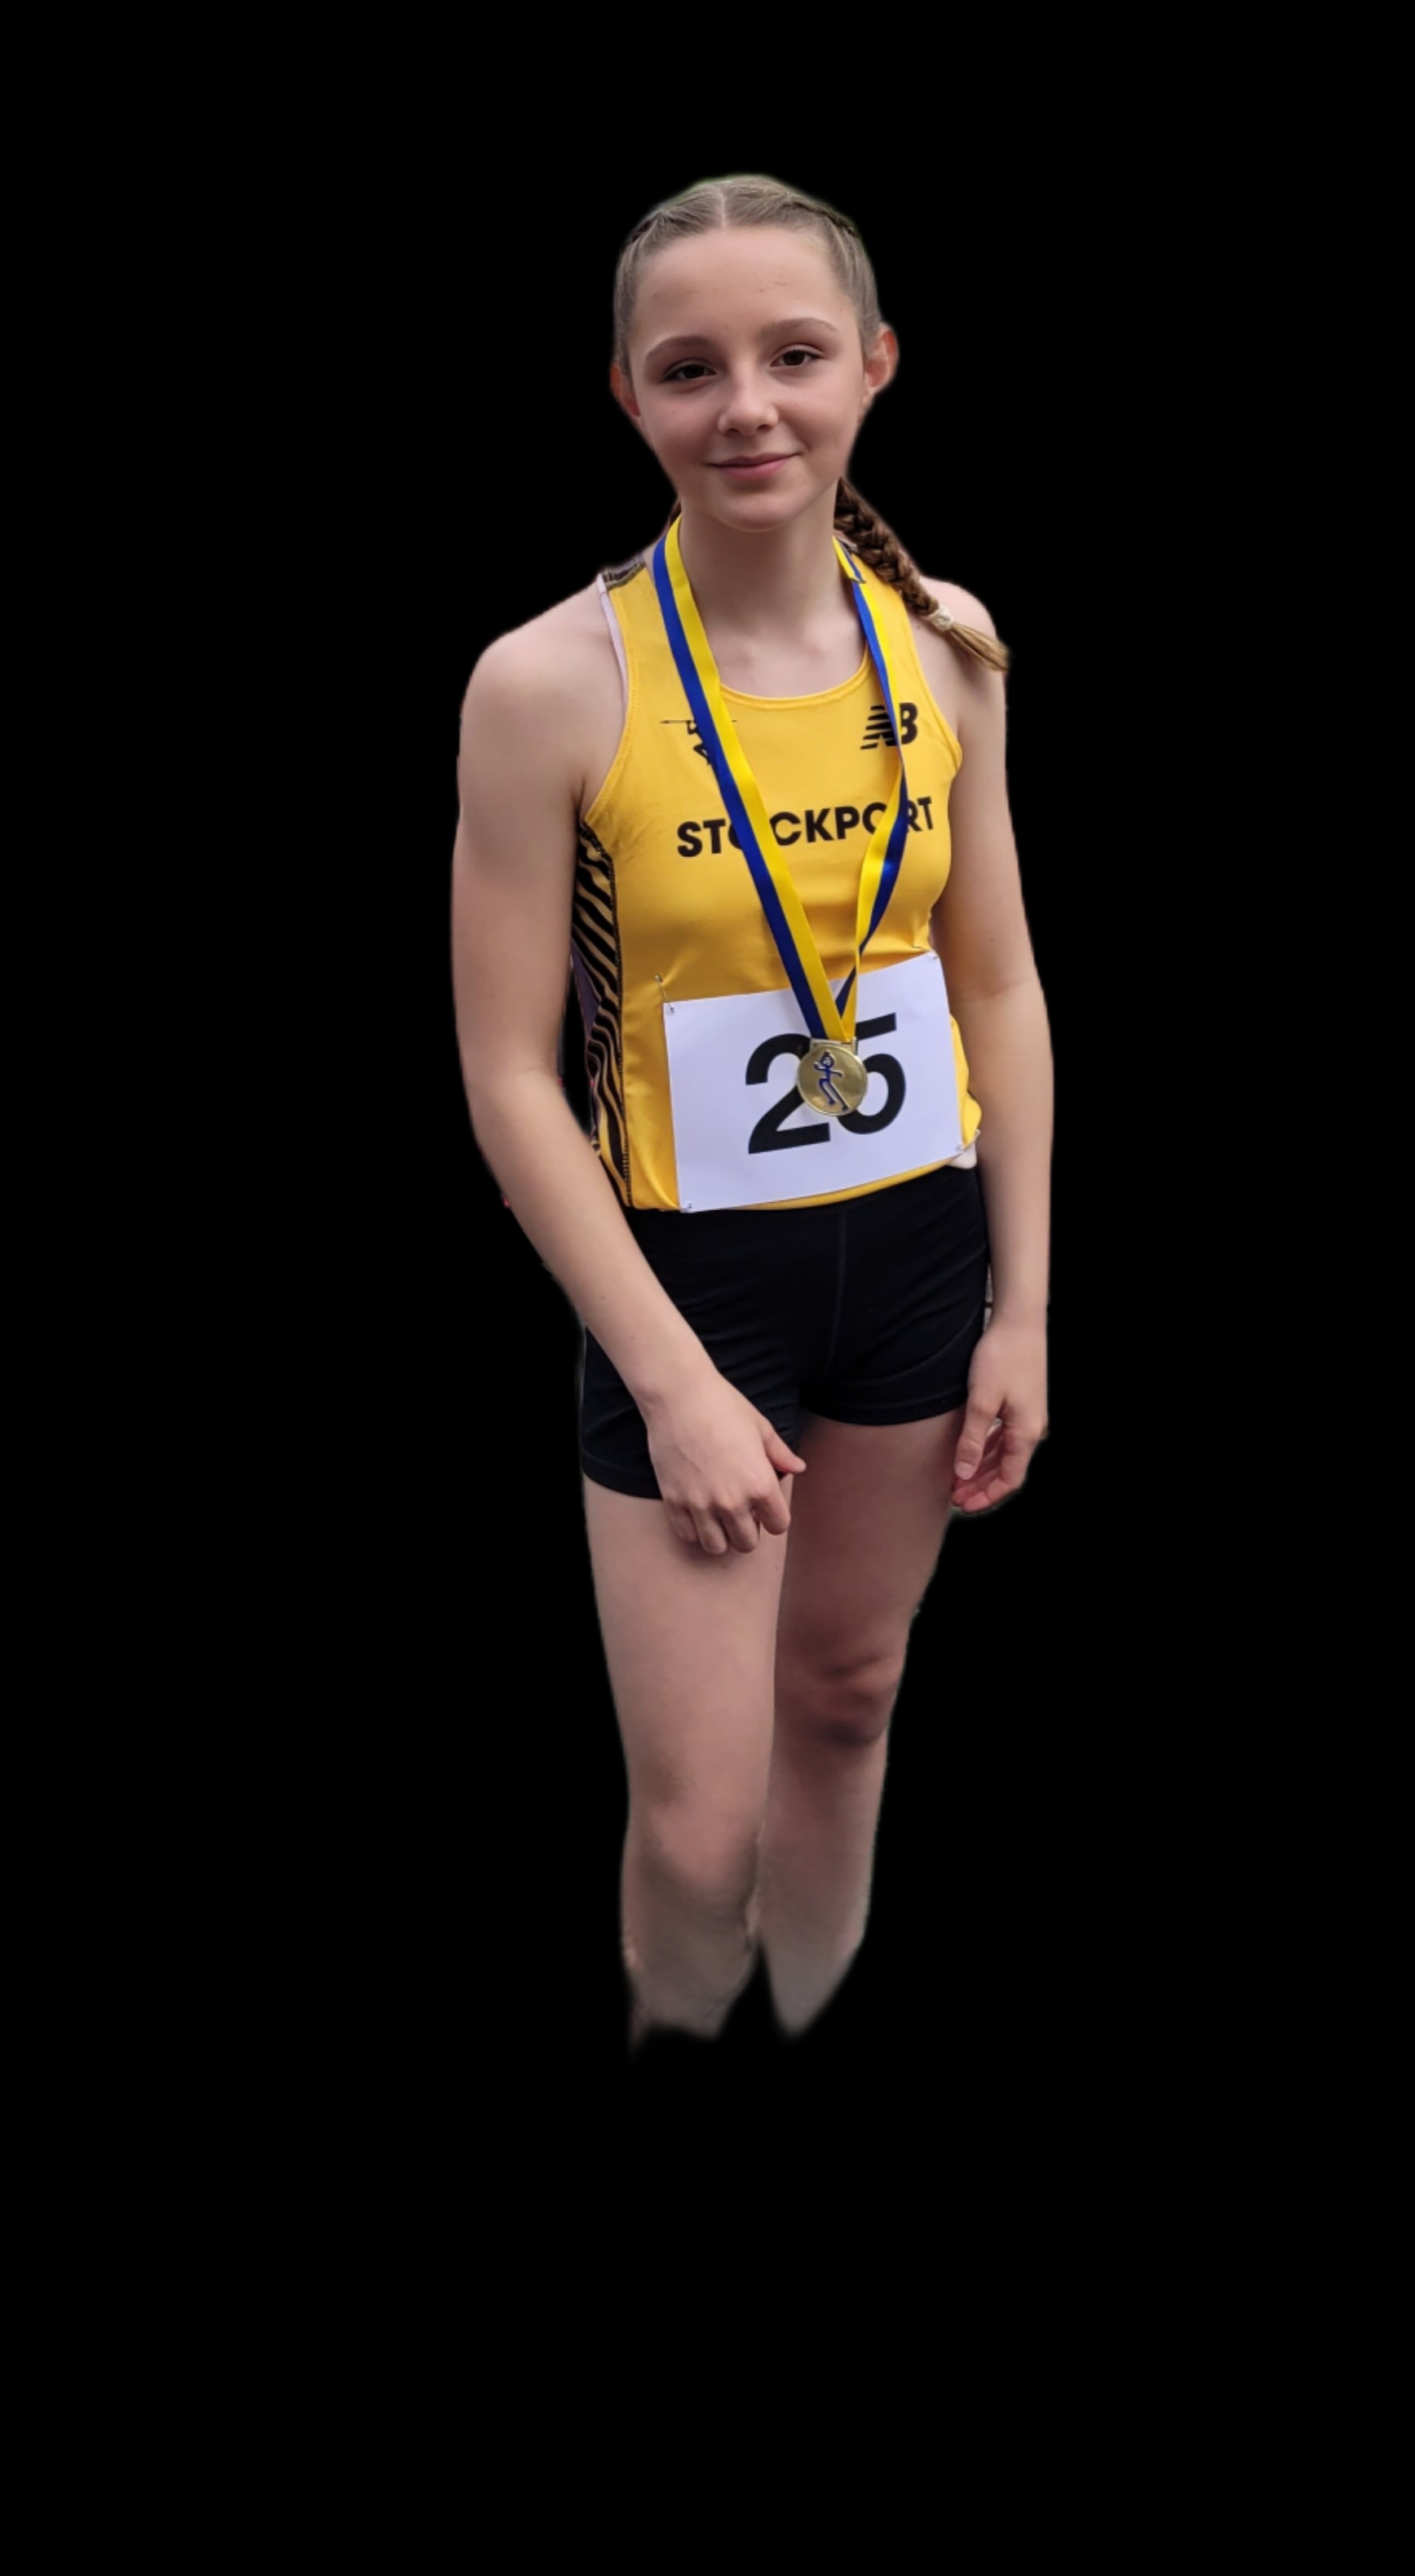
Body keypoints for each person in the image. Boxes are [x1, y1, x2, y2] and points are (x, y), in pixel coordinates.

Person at [451, 174, 1053, 2052]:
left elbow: (995, 985)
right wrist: (673, 1383)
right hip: (690, 1284)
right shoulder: (549, 683)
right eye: (689, 368)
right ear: (627, 396)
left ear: (873, 365)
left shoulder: (942, 643)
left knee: (851, 1701)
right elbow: (505, 1072)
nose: (747, 408)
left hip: (920, 1256)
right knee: (700, 1831)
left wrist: (1022, 1308)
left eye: (793, 356)